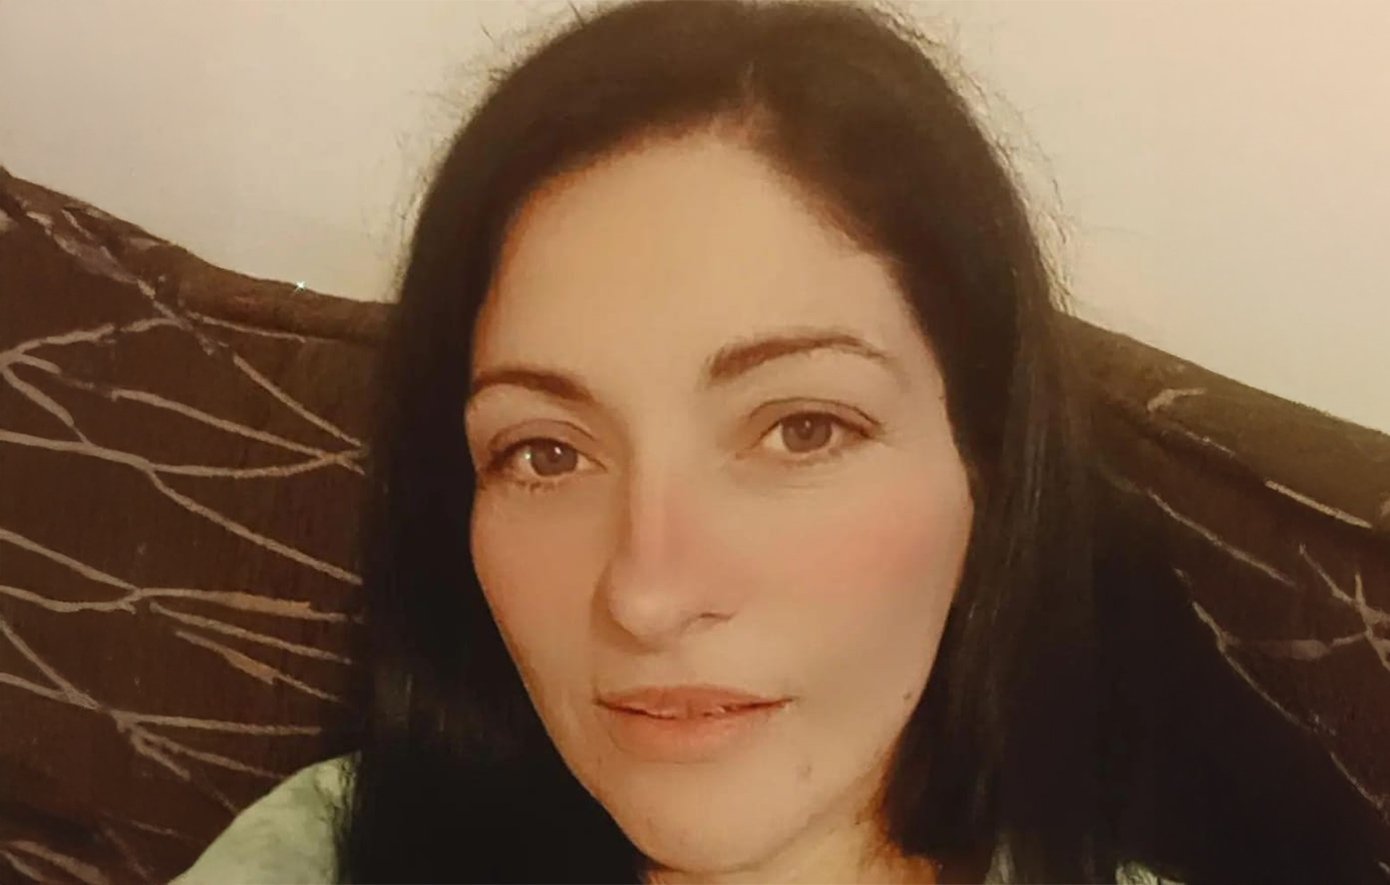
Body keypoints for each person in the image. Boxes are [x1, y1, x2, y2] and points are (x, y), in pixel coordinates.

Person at [174, 1, 1387, 882]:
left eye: (802, 428)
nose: (646, 594)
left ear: (987, 466)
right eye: (545, 452)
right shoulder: (330, 848)